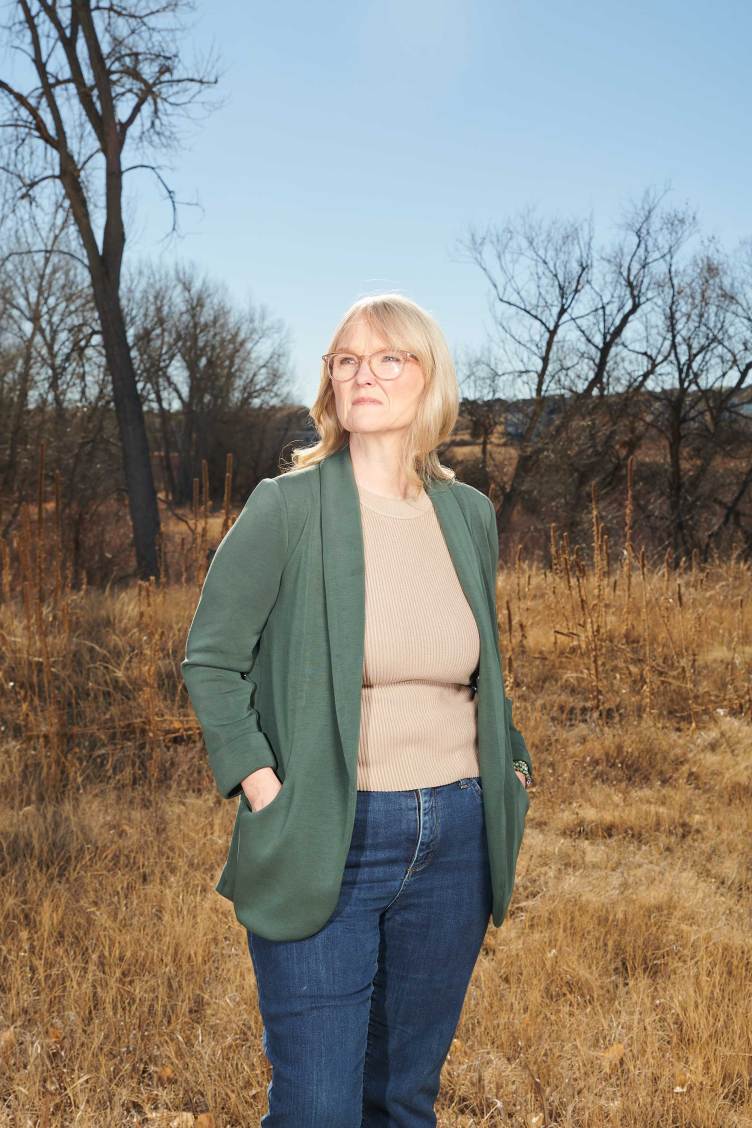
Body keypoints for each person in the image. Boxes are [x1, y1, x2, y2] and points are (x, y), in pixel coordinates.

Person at [181, 292, 533, 1127]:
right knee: (317, 1108)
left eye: (387, 359)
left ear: (429, 380)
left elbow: (477, 666)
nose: (361, 374)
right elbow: (212, 658)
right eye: (346, 359)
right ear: (329, 384)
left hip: (455, 835)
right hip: (328, 833)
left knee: (403, 1100)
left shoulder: (468, 514)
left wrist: (509, 762)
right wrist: (267, 788)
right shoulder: (288, 507)